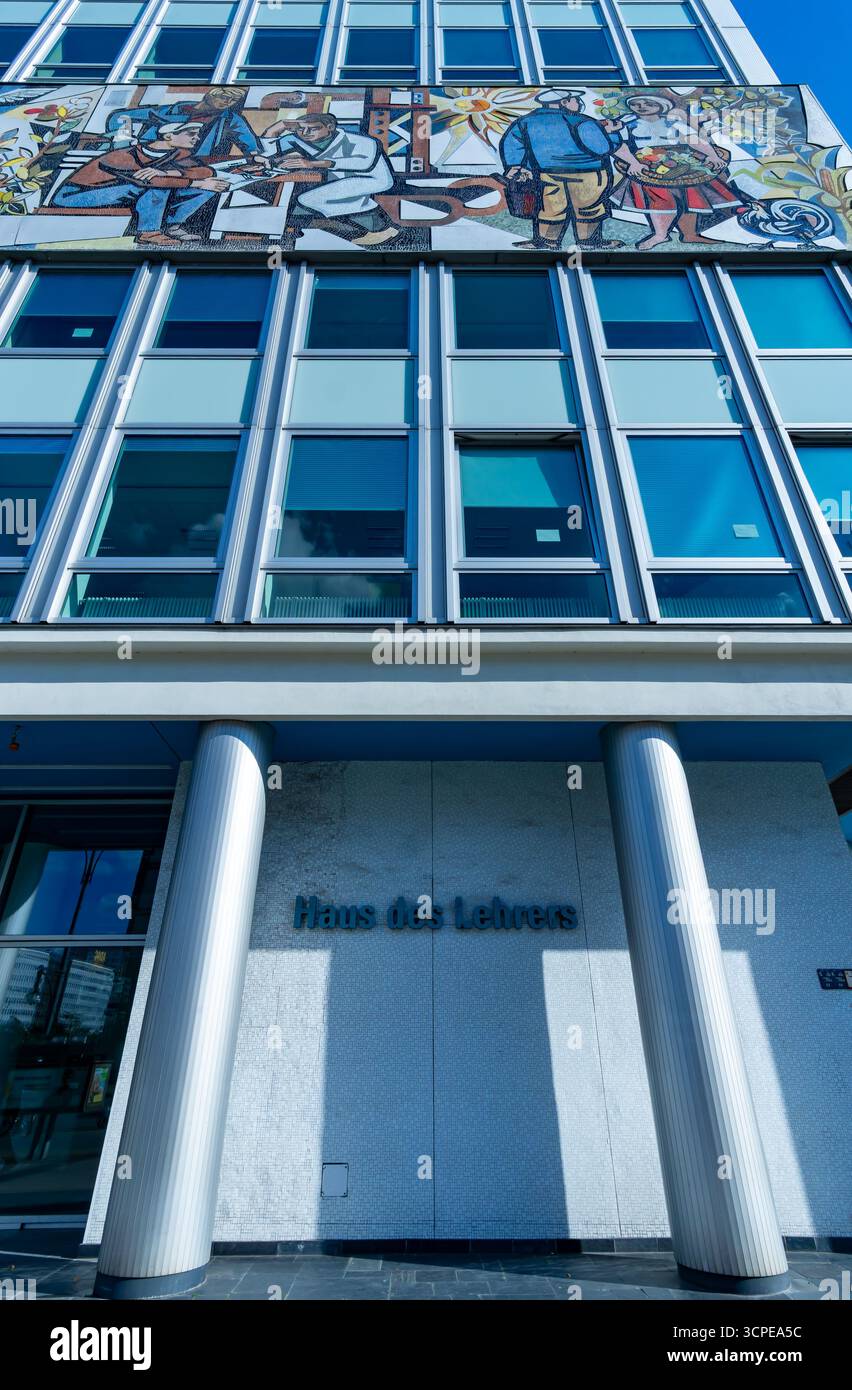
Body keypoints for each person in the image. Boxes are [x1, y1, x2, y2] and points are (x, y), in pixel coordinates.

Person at [50, 123, 228, 247]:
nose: (197, 138)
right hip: (78, 195)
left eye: (197, 134)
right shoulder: (123, 155)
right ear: (168, 136)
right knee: (158, 188)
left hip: (127, 190)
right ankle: (148, 233)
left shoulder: (179, 153)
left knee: (210, 187)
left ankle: (172, 227)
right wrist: (194, 182)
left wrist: (168, 173)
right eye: (191, 134)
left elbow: (207, 172)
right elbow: (146, 181)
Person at [609, 94, 744, 249]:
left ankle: (689, 234)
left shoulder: (671, 121)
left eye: (648, 103)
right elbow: (620, 145)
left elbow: (692, 140)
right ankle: (660, 235)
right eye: (635, 103)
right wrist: (633, 163)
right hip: (647, 168)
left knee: (690, 197)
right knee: (659, 199)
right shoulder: (626, 124)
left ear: (660, 105)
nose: (641, 106)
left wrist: (712, 155)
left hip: (680, 164)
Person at [499, 88, 626, 249]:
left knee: (551, 208)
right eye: (576, 100)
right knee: (589, 208)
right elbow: (601, 148)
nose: (579, 103)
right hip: (589, 173)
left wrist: (515, 166)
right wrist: (612, 133)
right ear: (564, 102)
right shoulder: (581, 121)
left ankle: (547, 242)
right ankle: (588, 242)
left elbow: (513, 143)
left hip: (547, 173)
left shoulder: (525, 121)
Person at [275, 113, 400, 247]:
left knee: (308, 199)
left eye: (313, 128)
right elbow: (272, 150)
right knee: (343, 201)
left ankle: (289, 233)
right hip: (345, 178)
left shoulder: (360, 140)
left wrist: (312, 164)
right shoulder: (303, 141)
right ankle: (383, 229)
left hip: (373, 179)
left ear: (330, 127)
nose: (305, 133)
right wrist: (273, 132)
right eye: (301, 128)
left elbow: (364, 164)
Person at [105, 86, 261, 162]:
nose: (227, 102)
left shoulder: (229, 118)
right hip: (150, 157)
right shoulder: (169, 111)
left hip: (190, 162)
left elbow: (248, 142)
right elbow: (119, 116)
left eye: (232, 100)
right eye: (223, 97)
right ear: (208, 95)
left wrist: (256, 156)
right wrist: (123, 142)